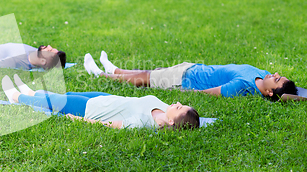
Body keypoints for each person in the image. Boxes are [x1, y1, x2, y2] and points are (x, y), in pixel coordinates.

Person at [1, 74, 200, 130]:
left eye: (180, 108)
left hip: (91, 110)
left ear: (173, 122)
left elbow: (111, 125)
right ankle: (33, 92)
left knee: (55, 102)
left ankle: (16, 97)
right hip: (104, 98)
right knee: (67, 94)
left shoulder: (145, 123)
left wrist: (80, 121)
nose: (177, 103)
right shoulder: (164, 109)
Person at [84, 51, 297, 101]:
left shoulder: (242, 86)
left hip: (185, 80)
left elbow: (208, 92)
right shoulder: (260, 75)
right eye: (279, 75)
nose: (276, 74)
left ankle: (101, 74)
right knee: (149, 73)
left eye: (277, 79)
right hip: (193, 68)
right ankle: (114, 69)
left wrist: (186, 91)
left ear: (269, 92)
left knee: (145, 79)